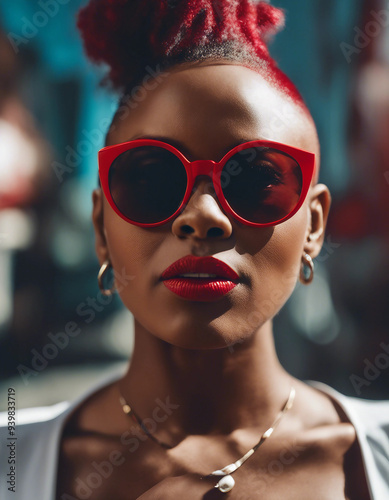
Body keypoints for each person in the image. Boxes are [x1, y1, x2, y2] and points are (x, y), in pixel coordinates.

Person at [1, 1, 388, 499]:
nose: (202, 217)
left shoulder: (372, 455)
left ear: (313, 226)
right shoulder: (15, 461)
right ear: (101, 226)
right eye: (151, 178)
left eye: (255, 178)